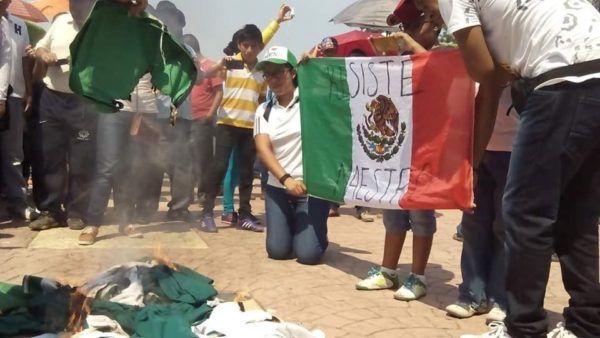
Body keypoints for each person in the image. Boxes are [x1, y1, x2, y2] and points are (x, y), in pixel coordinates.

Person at [411, 0, 600, 336]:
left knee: (525, 214)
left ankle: (523, 328)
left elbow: (483, 74)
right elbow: (491, 85)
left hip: (561, 79)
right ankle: (586, 325)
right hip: (591, 71)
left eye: (423, 9)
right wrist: (473, 164)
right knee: (577, 213)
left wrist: (495, 68)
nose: (429, 16)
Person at [354, 9, 440, 302]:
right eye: (414, 24)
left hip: (425, 152)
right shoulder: (394, 61)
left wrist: (409, 45)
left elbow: (437, 71)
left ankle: (418, 276)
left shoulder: (442, 55)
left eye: (430, 21)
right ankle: (388, 271)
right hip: (394, 153)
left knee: (421, 215)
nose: (436, 27)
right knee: (392, 212)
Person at [199, 5, 293, 233]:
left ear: (260, 47)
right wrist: (218, 67)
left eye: (254, 45)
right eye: (246, 45)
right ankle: (207, 213)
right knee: (218, 167)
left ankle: (245, 214)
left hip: (250, 127)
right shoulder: (230, 62)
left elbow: (261, 98)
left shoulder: (262, 71)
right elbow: (203, 77)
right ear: (239, 45)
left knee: (246, 172)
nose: (250, 49)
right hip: (226, 125)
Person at [445, 88, 518, 324]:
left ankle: (501, 298)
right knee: (473, 225)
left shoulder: (516, 57)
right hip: (475, 148)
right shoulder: (470, 61)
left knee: (505, 227)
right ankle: (472, 295)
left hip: (514, 148)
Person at [254, 46, 329, 265]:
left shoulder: (312, 102)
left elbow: (335, 91)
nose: (273, 79)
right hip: (278, 188)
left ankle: (315, 234)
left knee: (308, 255)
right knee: (277, 251)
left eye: (279, 72)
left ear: (292, 72)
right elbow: (263, 149)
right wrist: (286, 180)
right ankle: (296, 227)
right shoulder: (264, 110)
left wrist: (314, 69)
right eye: (268, 74)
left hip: (311, 189)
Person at [28, 0, 100, 231]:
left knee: (82, 161)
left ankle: (77, 212)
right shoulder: (59, 23)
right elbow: (39, 47)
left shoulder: (100, 28)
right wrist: (43, 54)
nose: (78, 9)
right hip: (52, 99)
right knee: (50, 158)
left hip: (84, 103)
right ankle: (50, 211)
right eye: (75, 5)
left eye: (84, 5)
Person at [0, 2, 39, 222]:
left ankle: (18, 202)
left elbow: (25, 60)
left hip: (14, 95)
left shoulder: (18, 25)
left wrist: (29, 92)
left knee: (14, 154)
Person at [184, 34, 223, 208]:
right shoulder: (186, 67)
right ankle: (186, 195)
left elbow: (219, 92)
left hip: (202, 120)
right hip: (185, 119)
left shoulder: (210, 66)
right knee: (186, 159)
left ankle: (203, 193)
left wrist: (210, 115)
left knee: (203, 160)